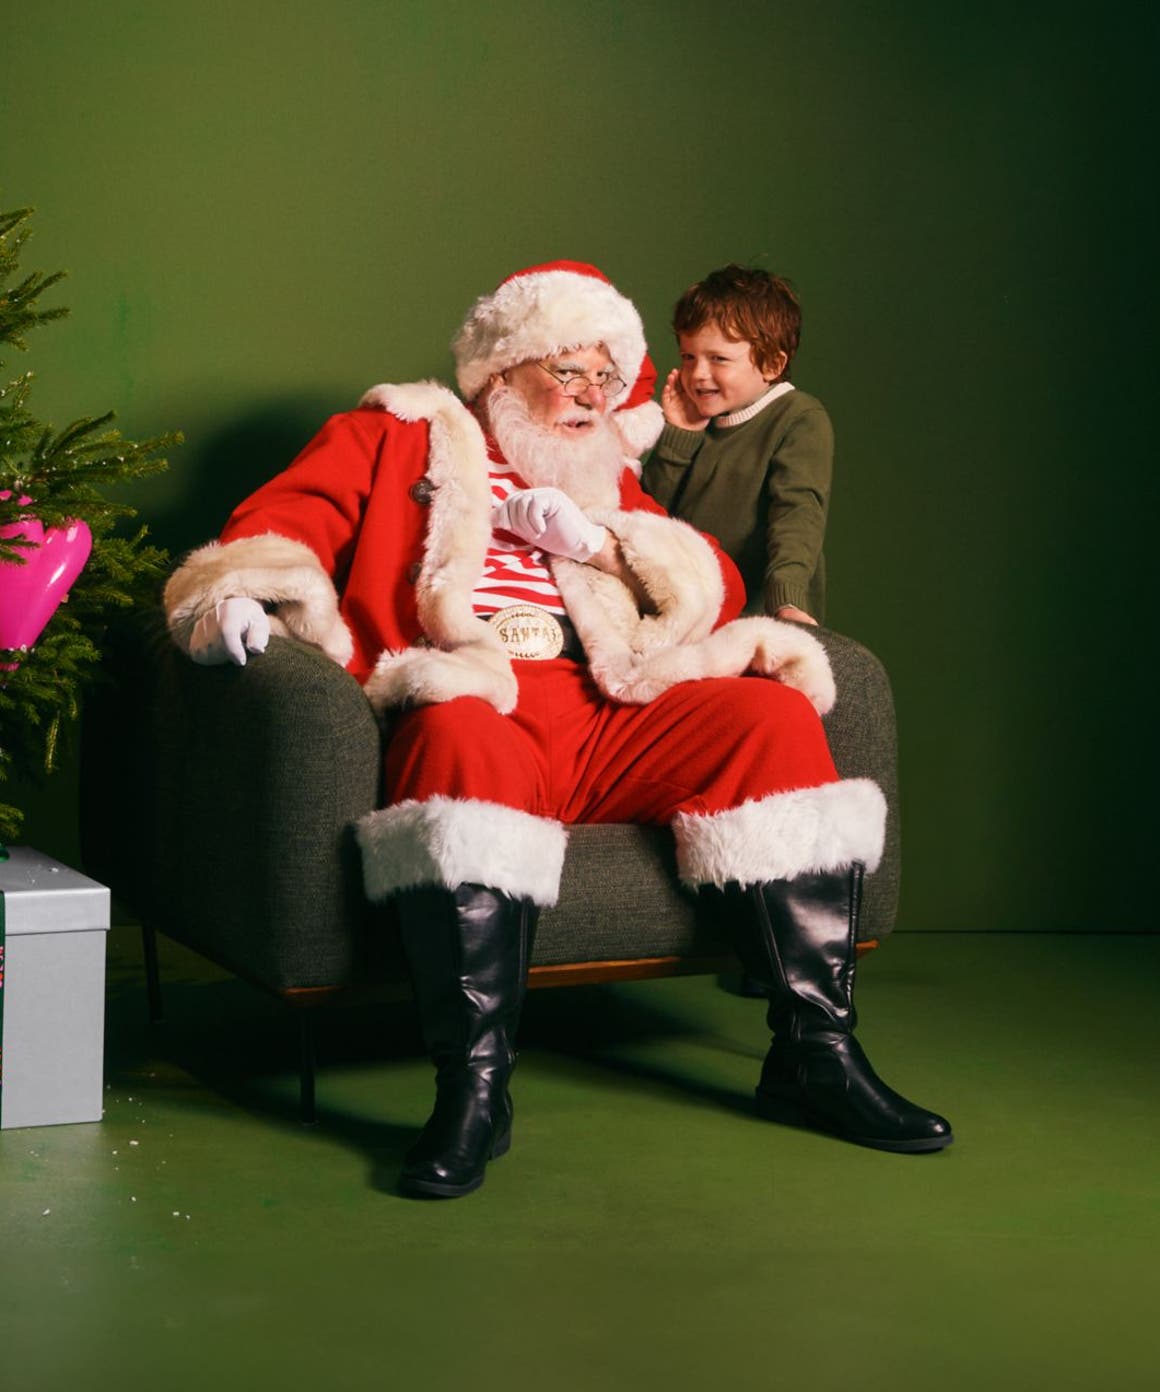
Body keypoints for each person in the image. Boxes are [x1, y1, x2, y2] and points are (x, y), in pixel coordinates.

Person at [164, 260, 951, 1199]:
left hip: (606, 707)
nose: (590, 397)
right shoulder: (396, 431)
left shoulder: (603, 472)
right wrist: (236, 597)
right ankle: (475, 1090)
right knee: (456, 740)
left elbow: (715, 590)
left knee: (767, 715)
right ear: (504, 372)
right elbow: (284, 518)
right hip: (480, 693)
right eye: (567, 372)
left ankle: (815, 1056)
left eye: (606, 378)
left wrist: (603, 542)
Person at [642, 264, 831, 625]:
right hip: (686, 618)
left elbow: (797, 516)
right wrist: (679, 436)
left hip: (760, 620)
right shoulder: (694, 421)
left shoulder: (796, 417)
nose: (698, 374)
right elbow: (648, 517)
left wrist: (787, 602)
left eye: (719, 359)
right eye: (688, 356)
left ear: (772, 364)